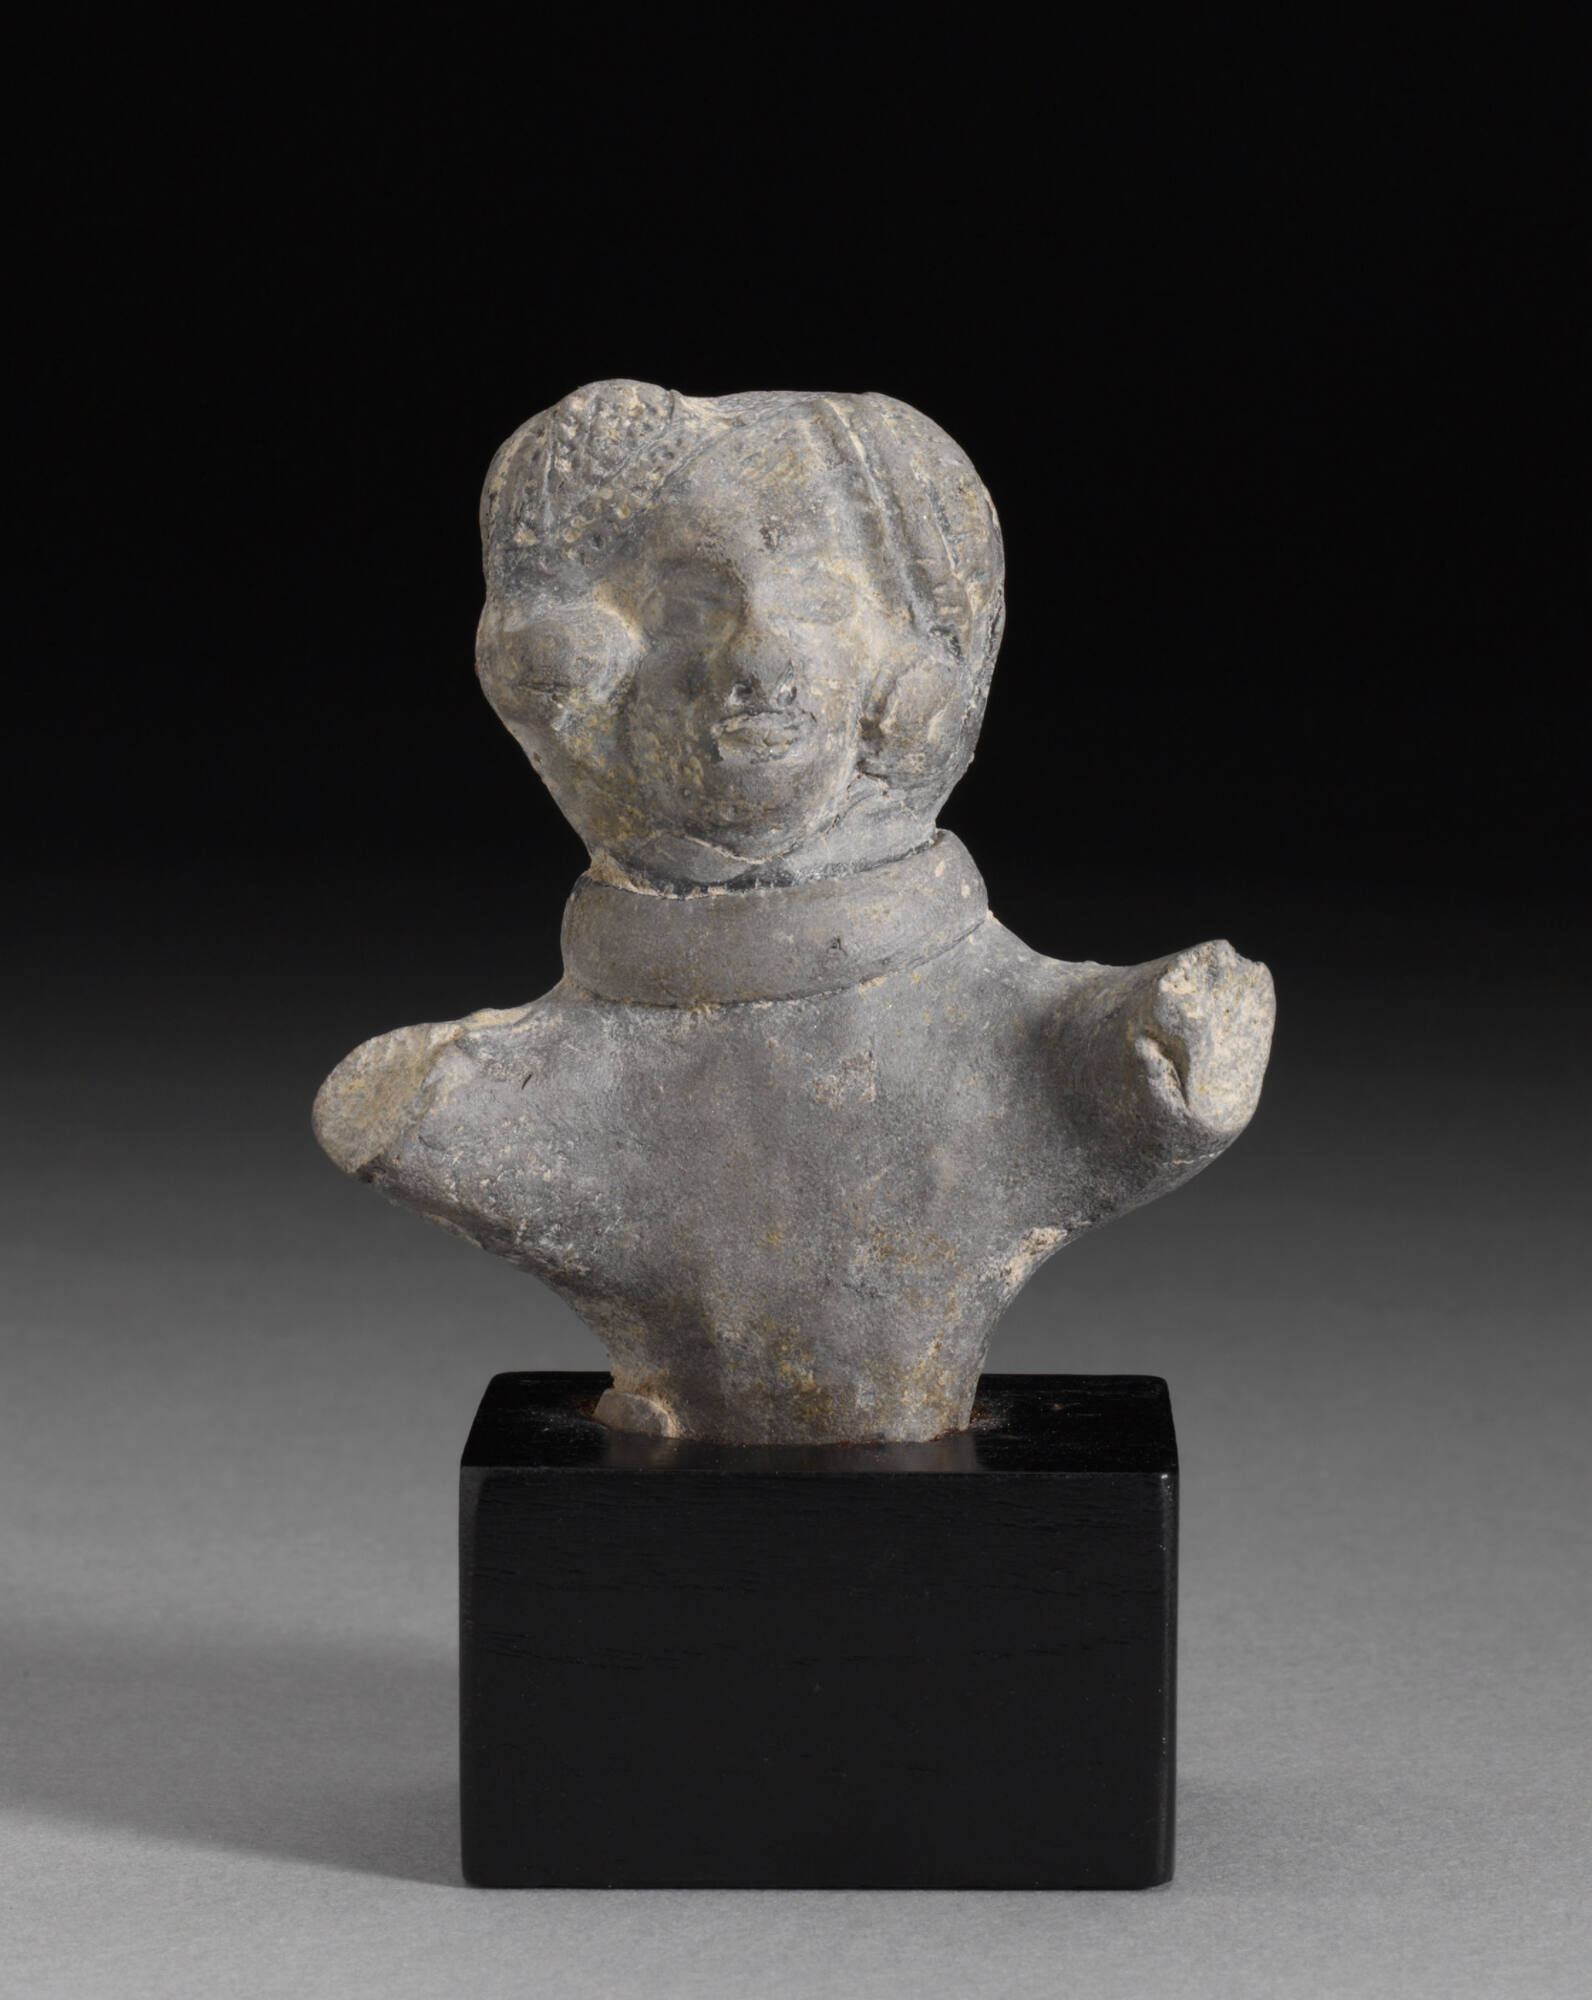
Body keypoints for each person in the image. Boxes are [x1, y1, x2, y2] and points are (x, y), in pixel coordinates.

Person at [314, 382, 1275, 1444]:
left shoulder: (1090, 1053)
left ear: (914, 672)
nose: (759, 664)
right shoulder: (471, 1101)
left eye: (817, 602)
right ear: (578, 672)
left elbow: (1109, 1065)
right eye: (688, 611)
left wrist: (1150, 1067)